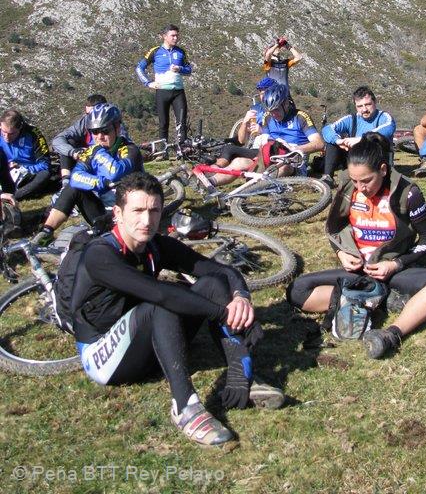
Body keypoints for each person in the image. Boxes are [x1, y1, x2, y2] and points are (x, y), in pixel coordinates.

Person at [69, 171, 283, 447]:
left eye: (154, 211)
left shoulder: (155, 245)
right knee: (162, 304)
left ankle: (241, 373)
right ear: (118, 214)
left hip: (148, 342)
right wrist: (221, 313)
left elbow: (221, 271)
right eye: (137, 211)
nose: (147, 220)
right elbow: (159, 294)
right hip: (104, 358)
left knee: (213, 284)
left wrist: (240, 298)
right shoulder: (100, 254)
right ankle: (185, 407)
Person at [287, 133, 426, 358]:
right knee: (296, 290)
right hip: (357, 273)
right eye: (355, 180)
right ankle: (377, 298)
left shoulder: (408, 193)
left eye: (366, 181)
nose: (361, 187)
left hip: (392, 272)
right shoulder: (348, 189)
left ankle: (391, 334)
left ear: (383, 170)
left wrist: (395, 264)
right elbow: (334, 229)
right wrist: (341, 253)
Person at [33, 104, 143, 245]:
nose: (99, 137)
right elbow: (76, 177)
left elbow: (115, 172)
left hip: (129, 213)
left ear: (117, 128)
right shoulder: (93, 152)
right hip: (104, 211)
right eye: (94, 132)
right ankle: (46, 231)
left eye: (105, 131)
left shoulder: (130, 150)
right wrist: (101, 182)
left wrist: (98, 152)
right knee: (73, 188)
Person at [209, 83, 324, 185]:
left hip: (293, 162)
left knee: (284, 167)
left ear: (286, 104)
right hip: (271, 157)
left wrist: (295, 148)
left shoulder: (300, 117)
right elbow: (262, 141)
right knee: (239, 162)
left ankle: (256, 186)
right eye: (270, 110)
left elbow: (319, 144)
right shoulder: (268, 117)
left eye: (276, 109)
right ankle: (209, 183)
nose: (273, 114)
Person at [320, 86, 396, 187]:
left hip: (376, 159)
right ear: (355, 106)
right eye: (360, 106)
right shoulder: (351, 119)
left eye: (368, 104)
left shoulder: (384, 117)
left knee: (376, 139)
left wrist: (361, 139)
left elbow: (389, 128)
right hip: (356, 158)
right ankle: (328, 178)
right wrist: (338, 140)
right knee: (332, 141)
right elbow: (327, 129)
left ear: (375, 102)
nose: (364, 109)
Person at [136, 24, 193, 145]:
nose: (176, 38)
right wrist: (148, 83)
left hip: (178, 92)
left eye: (177, 35)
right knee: (163, 124)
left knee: (182, 123)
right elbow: (139, 68)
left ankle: (183, 149)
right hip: (162, 91)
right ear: (164, 36)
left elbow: (189, 70)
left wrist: (180, 68)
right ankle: (163, 150)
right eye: (173, 36)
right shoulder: (155, 51)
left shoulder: (181, 51)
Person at [52, 93, 108, 184]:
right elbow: (58, 139)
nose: (90, 117)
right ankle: (65, 181)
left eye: (93, 114)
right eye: (88, 114)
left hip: (103, 161)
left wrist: (90, 152)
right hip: (85, 158)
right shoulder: (85, 122)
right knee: (69, 142)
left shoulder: (113, 127)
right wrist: (73, 152)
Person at [0, 109, 51, 200]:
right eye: (3, 132)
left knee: (45, 174)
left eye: (11, 134)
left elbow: (45, 165)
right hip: (4, 173)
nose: (6, 137)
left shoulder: (34, 134)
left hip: (28, 174)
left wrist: (22, 168)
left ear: (20, 128)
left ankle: (14, 196)